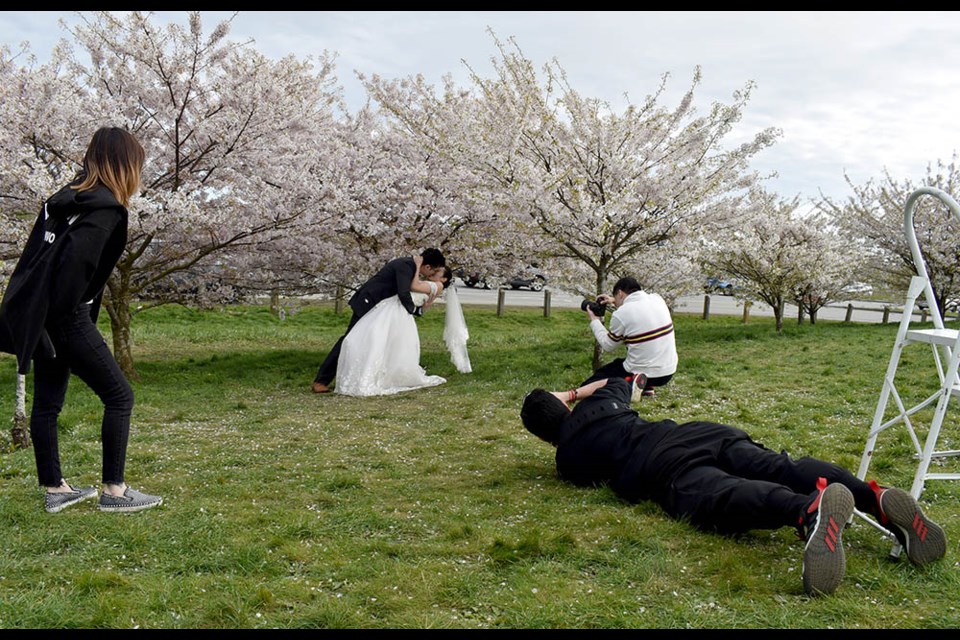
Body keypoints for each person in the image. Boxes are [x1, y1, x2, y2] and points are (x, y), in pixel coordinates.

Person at [520, 375, 947, 596]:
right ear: (564, 403)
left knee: (720, 493)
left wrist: (560, 416)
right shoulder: (604, 400)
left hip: (660, 467)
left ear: (544, 437)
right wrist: (574, 392)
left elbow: (583, 461)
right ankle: (874, 498)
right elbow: (631, 381)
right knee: (779, 465)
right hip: (696, 432)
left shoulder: (567, 461)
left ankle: (808, 512)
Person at [0, 127, 163, 514]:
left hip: (38, 313)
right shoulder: (105, 209)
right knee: (120, 396)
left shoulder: (61, 202)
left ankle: (56, 489)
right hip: (65, 318)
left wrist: (40, 322)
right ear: (125, 165)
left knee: (47, 404)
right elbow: (73, 272)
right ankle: (115, 491)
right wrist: (68, 323)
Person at [312, 248, 447, 394]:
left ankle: (364, 374)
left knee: (368, 341)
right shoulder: (406, 266)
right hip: (368, 303)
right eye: (433, 272)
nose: (432, 276)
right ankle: (321, 380)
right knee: (349, 340)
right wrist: (413, 310)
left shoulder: (409, 266)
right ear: (427, 267)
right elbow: (404, 292)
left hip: (378, 307)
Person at [583, 276, 677, 397]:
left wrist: (594, 320)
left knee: (591, 384)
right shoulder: (657, 299)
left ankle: (631, 384)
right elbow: (635, 304)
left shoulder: (621, 313)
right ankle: (645, 386)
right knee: (624, 358)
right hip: (667, 372)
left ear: (620, 293)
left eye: (616, 297)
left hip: (643, 372)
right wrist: (613, 299)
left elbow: (608, 345)